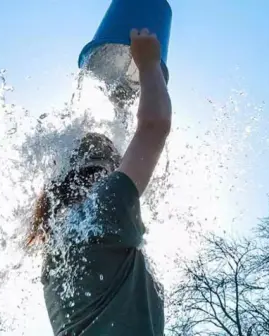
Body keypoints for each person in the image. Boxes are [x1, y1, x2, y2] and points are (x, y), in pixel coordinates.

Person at [27, 28, 172, 335]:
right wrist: (148, 64)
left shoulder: (56, 253)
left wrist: (122, 102)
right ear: (107, 171)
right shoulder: (105, 207)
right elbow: (154, 127)